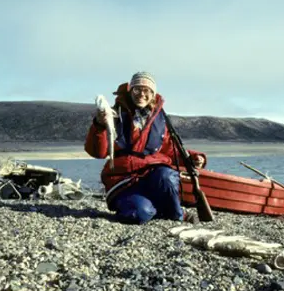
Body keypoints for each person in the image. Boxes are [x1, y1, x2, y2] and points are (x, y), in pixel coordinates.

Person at [85, 71, 208, 224]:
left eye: (147, 90)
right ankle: (151, 207)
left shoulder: (160, 120)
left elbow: (171, 150)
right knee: (139, 214)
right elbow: (98, 152)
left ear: (153, 93)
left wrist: (194, 158)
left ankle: (178, 215)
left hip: (152, 175)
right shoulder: (114, 115)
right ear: (130, 91)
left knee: (167, 175)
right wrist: (99, 125)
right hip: (123, 180)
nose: (141, 94)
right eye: (137, 89)